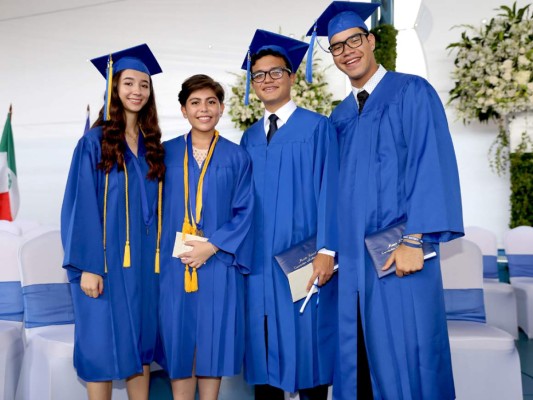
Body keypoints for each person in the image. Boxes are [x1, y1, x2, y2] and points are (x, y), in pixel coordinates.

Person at [307, 2, 465, 399]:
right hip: (354, 264)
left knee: (410, 351)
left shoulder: (411, 91)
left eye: (354, 40)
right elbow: (332, 189)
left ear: (371, 40)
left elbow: (432, 164)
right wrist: (327, 247)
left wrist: (416, 239)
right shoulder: (339, 116)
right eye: (337, 47)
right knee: (358, 355)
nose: (347, 51)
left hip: (401, 255)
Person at [61, 44, 165, 400]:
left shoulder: (152, 145)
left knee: (140, 344)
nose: (137, 91)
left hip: (143, 266)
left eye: (144, 85)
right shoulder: (94, 142)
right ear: (114, 88)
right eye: (129, 83)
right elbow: (81, 206)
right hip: (103, 265)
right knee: (100, 346)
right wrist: (88, 266)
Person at [240, 30, 339, 400]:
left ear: (292, 77)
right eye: (259, 75)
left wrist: (328, 249)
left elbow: (331, 190)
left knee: (308, 341)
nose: (267, 80)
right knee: (263, 344)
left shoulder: (317, 127)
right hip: (259, 262)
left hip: (304, 257)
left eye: (275, 72)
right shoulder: (249, 137)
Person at [158, 74, 254, 400]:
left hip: (218, 262)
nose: (204, 109)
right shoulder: (164, 154)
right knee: (179, 339)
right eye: (195, 102)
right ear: (183, 110)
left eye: (211, 102)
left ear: (222, 108)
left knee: (212, 343)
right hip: (175, 263)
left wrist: (211, 246)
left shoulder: (236, 156)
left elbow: (246, 211)